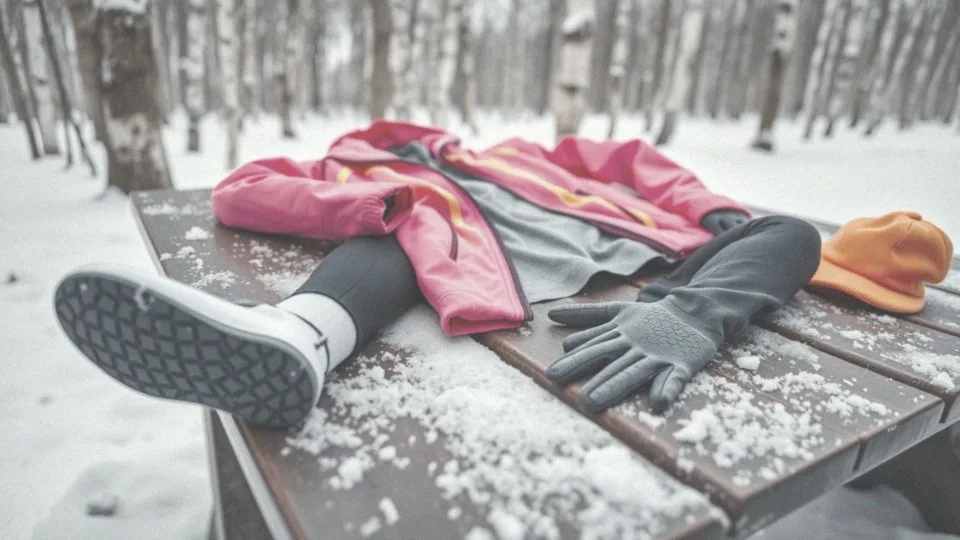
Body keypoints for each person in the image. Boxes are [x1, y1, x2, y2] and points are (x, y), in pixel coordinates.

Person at [53, 121, 821, 428]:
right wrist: (377, 200)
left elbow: (628, 158)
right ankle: (293, 342)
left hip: (638, 254)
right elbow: (239, 191)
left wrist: (708, 209)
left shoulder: (520, 152)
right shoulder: (360, 172)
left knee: (786, 233)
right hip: (478, 270)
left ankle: (684, 312)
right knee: (395, 248)